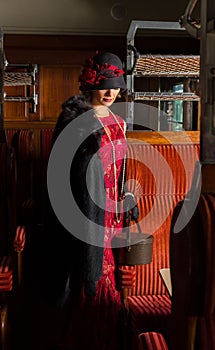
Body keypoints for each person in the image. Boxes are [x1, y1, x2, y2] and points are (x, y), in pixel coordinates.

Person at [42, 51, 136, 350]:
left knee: (107, 288)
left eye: (116, 85)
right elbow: (57, 176)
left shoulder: (120, 123)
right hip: (83, 214)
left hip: (112, 216)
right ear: (90, 83)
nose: (111, 92)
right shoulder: (73, 121)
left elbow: (119, 172)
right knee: (85, 280)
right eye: (104, 84)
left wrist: (127, 198)